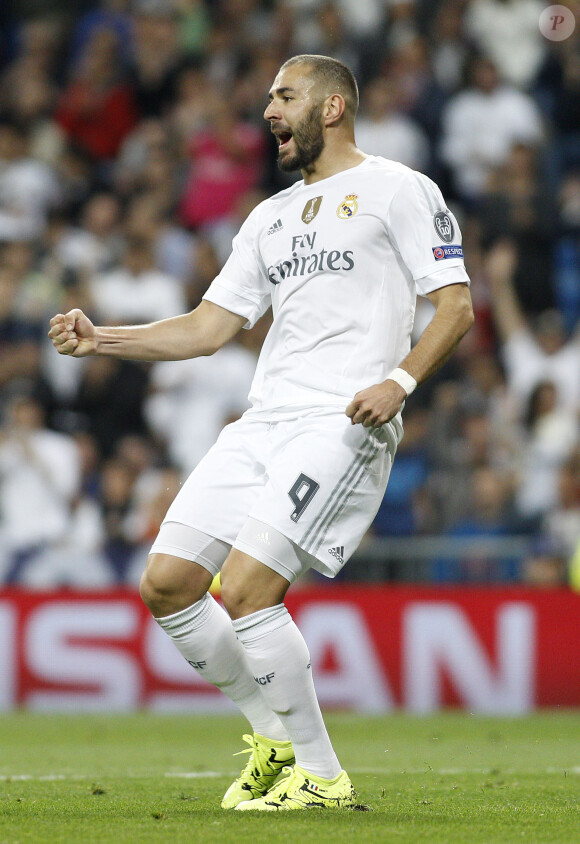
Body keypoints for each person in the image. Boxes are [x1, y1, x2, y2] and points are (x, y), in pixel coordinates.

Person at [49, 54, 473, 811]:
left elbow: (456, 306)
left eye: (285, 95)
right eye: (270, 97)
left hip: (342, 418)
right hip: (264, 418)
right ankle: (272, 742)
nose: (269, 108)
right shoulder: (268, 217)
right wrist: (102, 338)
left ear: (333, 106)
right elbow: (209, 328)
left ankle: (322, 778)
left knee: (245, 590)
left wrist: (398, 382)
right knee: (168, 582)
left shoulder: (398, 189)